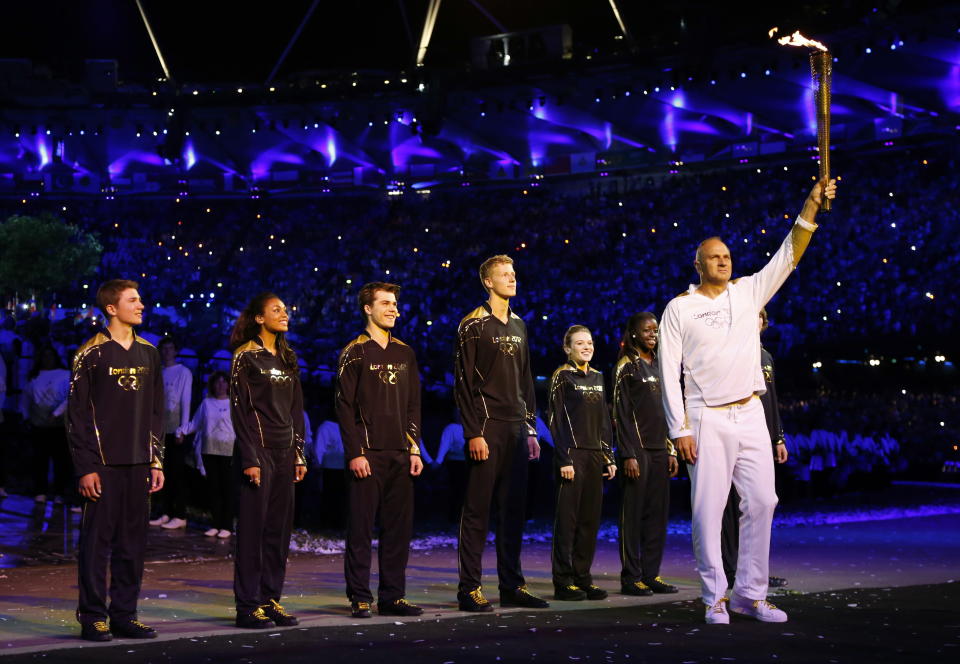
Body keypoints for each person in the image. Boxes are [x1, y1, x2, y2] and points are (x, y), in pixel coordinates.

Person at [658, 178, 837, 624]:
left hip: (750, 411)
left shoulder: (748, 291)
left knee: (762, 501)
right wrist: (678, 428)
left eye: (727, 256)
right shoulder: (679, 307)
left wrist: (810, 204)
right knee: (707, 508)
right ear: (698, 263)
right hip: (706, 417)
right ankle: (714, 597)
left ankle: (749, 595)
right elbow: (667, 372)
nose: (723, 261)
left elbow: (788, 255)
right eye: (714, 257)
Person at [67, 279, 165, 642]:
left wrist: (157, 461)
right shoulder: (89, 354)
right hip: (103, 466)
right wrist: (86, 466)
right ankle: (93, 616)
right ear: (112, 308)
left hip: (140, 464)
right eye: (133, 300)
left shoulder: (149, 353)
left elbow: (158, 413)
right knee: (96, 545)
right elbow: (77, 417)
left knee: (133, 544)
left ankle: (125, 613)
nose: (141, 305)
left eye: (140, 299)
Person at [454, 254, 548, 612]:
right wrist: (473, 431)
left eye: (514, 274)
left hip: (515, 429)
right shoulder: (472, 325)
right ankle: (469, 589)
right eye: (504, 275)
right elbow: (462, 384)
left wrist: (530, 429)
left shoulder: (520, 325)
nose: (512, 279)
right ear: (488, 282)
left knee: (514, 510)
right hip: (486, 427)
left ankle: (512, 585)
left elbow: (525, 380)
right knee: (477, 510)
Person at [335, 282, 424, 618]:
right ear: (367, 309)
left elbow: (414, 405)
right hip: (367, 455)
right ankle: (360, 596)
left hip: (401, 454)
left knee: (398, 530)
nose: (393, 309)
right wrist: (355, 452)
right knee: (360, 529)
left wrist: (414, 449)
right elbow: (343, 407)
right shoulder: (353, 352)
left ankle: (393, 596)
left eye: (395, 304)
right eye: (385, 303)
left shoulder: (405, 353)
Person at [230, 292, 307, 629]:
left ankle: (269, 599)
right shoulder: (245, 357)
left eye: (285, 308)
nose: (284, 313)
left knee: (278, 531)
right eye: (276, 310)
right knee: (253, 533)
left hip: (285, 453)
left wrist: (298, 453)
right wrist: (250, 458)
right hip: (258, 454)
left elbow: (296, 411)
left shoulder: (288, 358)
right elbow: (240, 411)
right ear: (259, 318)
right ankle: (247, 606)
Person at [721, 309, 789, 589]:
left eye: (759, 316)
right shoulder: (731, 352)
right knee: (729, 507)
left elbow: (770, 401)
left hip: (759, 437)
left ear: (764, 322)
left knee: (759, 505)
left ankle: (754, 571)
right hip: (732, 435)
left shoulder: (766, 357)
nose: (755, 320)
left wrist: (778, 438)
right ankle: (730, 569)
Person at [547, 325, 617, 601]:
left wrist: (608, 456)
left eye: (589, 342)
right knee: (568, 521)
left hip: (593, 456)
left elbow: (603, 420)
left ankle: (583, 577)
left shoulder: (599, 377)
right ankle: (563, 582)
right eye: (580, 344)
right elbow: (556, 419)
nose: (587, 347)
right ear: (568, 349)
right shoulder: (562, 376)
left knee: (589, 520)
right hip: (572, 456)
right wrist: (564, 458)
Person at [613, 313, 680, 597]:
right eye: (647, 330)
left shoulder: (661, 365)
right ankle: (632, 576)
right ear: (634, 333)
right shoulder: (627, 366)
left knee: (657, 515)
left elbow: (670, 410)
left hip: (659, 451)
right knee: (634, 515)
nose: (653, 334)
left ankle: (651, 574)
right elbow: (621, 414)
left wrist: (671, 449)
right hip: (636, 451)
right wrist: (627, 453)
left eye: (656, 330)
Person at [179, 371, 234, 538]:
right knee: (213, 488)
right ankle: (215, 524)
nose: (221, 385)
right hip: (209, 450)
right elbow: (195, 423)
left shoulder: (234, 404)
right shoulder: (206, 403)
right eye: (218, 382)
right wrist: (181, 431)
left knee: (227, 489)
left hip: (228, 451)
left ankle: (227, 525)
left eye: (224, 382)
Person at [150, 337, 192, 530]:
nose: (167, 352)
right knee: (160, 471)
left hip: (175, 430)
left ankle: (180, 513)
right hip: (158, 430)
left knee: (177, 473)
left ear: (175, 351)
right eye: (164, 349)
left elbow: (186, 400)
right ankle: (165, 512)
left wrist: (182, 429)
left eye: (170, 348)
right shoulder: (157, 372)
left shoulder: (183, 372)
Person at [21, 345, 72, 504]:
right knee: (39, 459)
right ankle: (40, 490)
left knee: (60, 459)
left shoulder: (65, 374)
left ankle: (59, 492)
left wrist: (57, 413)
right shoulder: (34, 376)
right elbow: (26, 398)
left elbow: (71, 397)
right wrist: (25, 416)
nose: (47, 359)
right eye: (44, 356)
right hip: (39, 423)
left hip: (58, 424)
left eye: (50, 356)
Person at [433, 417, 467, 524]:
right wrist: (439, 460)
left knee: (465, 490)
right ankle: (453, 517)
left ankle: (463, 516)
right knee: (456, 490)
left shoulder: (472, 427)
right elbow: (445, 443)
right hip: (455, 462)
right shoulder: (451, 428)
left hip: (469, 462)